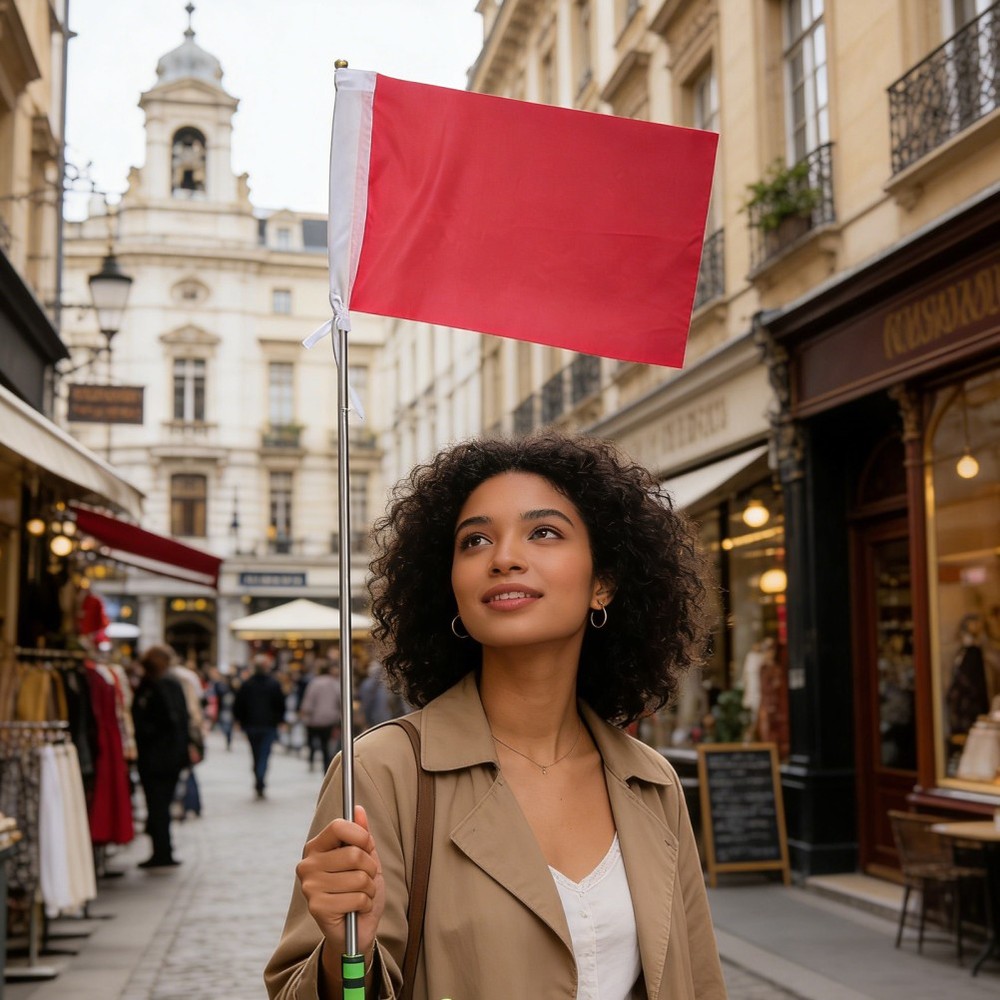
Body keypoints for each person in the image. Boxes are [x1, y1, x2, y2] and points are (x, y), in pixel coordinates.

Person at [266, 432, 726, 1000]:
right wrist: (344, 954)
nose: (504, 557)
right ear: (451, 586)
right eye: (475, 540)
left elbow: (699, 983)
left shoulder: (652, 783)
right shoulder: (383, 773)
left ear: (602, 583)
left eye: (544, 532)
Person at [131, 645, 190, 869]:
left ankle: (162, 852)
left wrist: (145, 732)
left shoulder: (160, 684)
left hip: (158, 758)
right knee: (160, 805)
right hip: (167, 757)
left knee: (158, 805)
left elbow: (168, 720)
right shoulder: (168, 682)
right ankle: (162, 850)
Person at [234, 652, 286, 799]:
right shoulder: (273, 684)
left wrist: (239, 720)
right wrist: (280, 720)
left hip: (252, 725)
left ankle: (259, 777)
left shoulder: (247, 684)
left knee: (256, 754)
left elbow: (238, 705)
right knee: (263, 754)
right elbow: (280, 704)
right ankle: (260, 777)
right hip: (267, 725)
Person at [298, 655, 342, 773]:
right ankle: (325, 768)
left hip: (313, 719)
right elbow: (340, 700)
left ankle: (311, 760)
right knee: (325, 745)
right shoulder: (335, 683)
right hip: (329, 719)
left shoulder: (315, 683)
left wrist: (304, 713)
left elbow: (308, 701)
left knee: (312, 741)